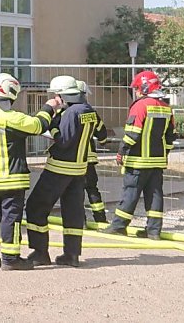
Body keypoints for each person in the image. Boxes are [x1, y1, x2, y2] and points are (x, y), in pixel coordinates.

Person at [0, 73, 58, 270]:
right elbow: (38, 125)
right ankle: (10, 259)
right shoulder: (12, 118)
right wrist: (49, 107)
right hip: (11, 180)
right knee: (11, 218)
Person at [25, 76, 107, 268]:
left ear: (63, 95)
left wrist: (52, 128)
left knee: (35, 207)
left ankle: (40, 253)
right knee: (73, 212)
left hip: (59, 169)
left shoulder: (72, 113)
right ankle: (72, 255)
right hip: (79, 170)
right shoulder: (88, 110)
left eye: (56, 95)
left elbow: (63, 140)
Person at [102, 70, 176, 240]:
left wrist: (121, 151)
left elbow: (132, 134)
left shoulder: (140, 106)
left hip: (137, 162)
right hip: (157, 162)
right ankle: (153, 231)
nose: (135, 92)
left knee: (130, 193)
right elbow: (170, 137)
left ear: (144, 88)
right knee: (155, 195)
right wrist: (163, 154)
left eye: (136, 88)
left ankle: (119, 226)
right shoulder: (167, 108)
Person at [77, 80, 108, 224]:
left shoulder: (64, 112)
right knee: (92, 189)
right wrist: (102, 141)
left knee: (75, 191)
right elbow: (102, 134)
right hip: (88, 159)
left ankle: (79, 221)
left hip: (71, 159)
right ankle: (100, 219)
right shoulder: (91, 112)